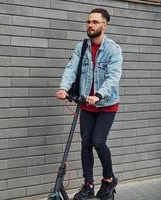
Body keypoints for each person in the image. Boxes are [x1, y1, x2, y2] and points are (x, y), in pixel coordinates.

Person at [55, 8, 123, 200]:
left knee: (98, 141)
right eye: (88, 22)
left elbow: (113, 77)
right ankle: (88, 185)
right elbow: (71, 68)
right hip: (86, 103)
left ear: (104, 25)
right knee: (86, 144)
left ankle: (109, 180)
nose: (90, 25)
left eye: (94, 22)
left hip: (106, 104)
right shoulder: (82, 47)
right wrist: (63, 88)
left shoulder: (113, 49)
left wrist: (99, 94)